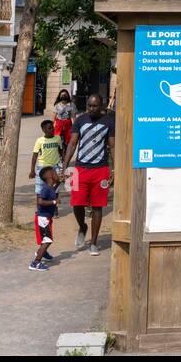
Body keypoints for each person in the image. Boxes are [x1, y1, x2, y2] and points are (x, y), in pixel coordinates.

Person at [62, 94, 114, 255]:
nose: (92, 109)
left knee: (98, 206)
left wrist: (115, 169)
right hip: (80, 169)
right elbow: (72, 143)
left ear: (102, 106)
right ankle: (82, 226)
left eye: (95, 106)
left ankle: (93, 242)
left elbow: (112, 147)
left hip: (101, 170)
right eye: (89, 106)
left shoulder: (108, 122)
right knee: (77, 204)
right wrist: (64, 166)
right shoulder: (80, 120)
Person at [31, 164, 60, 271]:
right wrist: (54, 201)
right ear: (51, 175)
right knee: (47, 240)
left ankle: (43, 253)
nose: (57, 175)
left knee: (46, 239)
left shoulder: (50, 188)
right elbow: (40, 201)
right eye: (56, 173)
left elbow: (53, 189)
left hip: (46, 218)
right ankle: (35, 263)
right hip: (43, 218)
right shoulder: (45, 189)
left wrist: (59, 182)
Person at [29, 118, 63, 184]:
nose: (52, 130)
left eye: (53, 127)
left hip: (55, 167)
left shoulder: (58, 138)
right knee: (40, 188)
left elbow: (61, 151)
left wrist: (63, 165)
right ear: (43, 130)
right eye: (49, 128)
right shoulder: (39, 141)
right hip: (42, 167)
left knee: (55, 188)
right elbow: (34, 156)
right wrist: (32, 170)